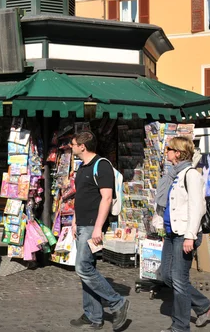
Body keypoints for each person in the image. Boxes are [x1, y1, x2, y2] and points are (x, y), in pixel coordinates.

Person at [69, 132, 129, 331]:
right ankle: (93, 315)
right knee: (87, 269)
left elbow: (106, 197)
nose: (71, 147)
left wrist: (97, 228)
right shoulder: (82, 167)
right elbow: (81, 197)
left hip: (93, 225)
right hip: (83, 224)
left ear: (83, 147)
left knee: (83, 268)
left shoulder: (101, 165)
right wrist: (75, 221)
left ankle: (117, 303)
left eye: (73, 144)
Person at [156, 137, 210, 332]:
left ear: (178, 153)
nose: (167, 153)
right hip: (171, 232)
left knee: (179, 280)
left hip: (184, 234)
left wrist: (190, 236)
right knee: (166, 276)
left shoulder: (191, 175)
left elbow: (196, 207)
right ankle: (203, 304)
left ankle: (180, 327)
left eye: (169, 150)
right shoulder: (173, 175)